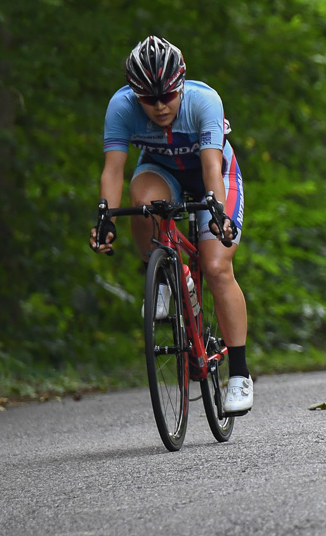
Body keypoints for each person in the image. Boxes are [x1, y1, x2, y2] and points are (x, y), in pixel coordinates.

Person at [89, 36, 254, 415]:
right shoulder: (121, 107)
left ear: (180, 84)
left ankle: (240, 375)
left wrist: (218, 216)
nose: (160, 107)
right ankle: (159, 272)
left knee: (216, 266)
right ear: (135, 94)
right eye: (149, 99)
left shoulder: (204, 100)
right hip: (162, 172)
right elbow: (113, 170)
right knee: (143, 202)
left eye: (167, 95)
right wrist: (105, 218)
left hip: (212, 175)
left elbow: (212, 165)